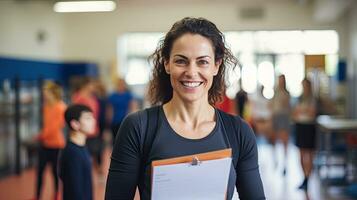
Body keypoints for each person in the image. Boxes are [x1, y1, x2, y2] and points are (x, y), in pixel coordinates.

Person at [105, 17, 265, 200]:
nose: (191, 71)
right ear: (167, 64)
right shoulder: (139, 127)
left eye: (202, 61)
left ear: (216, 65)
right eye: (181, 61)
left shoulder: (238, 132)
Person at [34, 81, 66, 200]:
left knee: (55, 172)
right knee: (40, 171)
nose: (44, 95)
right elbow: (47, 125)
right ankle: (37, 196)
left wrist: (41, 135)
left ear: (53, 93)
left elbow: (56, 126)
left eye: (46, 92)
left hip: (56, 145)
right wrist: (43, 135)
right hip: (45, 144)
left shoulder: (61, 107)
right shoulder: (46, 106)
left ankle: (56, 195)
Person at [59, 104, 96, 200]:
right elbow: (74, 189)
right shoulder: (73, 153)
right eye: (88, 118)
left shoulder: (81, 147)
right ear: (75, 124)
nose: (93, 121)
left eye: (92, 117)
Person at [292, 78, 317, 191]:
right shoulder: (299, 98)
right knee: (301, 155)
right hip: (300, 127)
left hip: (309, 127)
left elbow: (312, 113)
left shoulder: (313, 99)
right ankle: (304, 177)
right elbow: (294, 113)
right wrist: (304, 111)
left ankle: (308, 179)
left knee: (310, 154)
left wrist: (302, 111)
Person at [108, 78, 138, 145]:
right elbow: (110, 110)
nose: (121, 85)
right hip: (115, 121)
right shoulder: (112, 96)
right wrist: (109, 121)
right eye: (119, 84)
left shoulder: (128, 95)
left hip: (125, 120)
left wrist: (132, 120)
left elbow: (133, 107)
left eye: (122, 84)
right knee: (115, 141)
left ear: (124, 85)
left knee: (124, 141)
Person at [271, 74, 291, 175]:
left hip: (283, 117)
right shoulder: (275, 93)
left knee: (284, 141)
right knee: (274, 140)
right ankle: (276, 160)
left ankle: (285, 163)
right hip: (276, 117)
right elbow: (272, 106)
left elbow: (288, 107)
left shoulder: (286, 94)